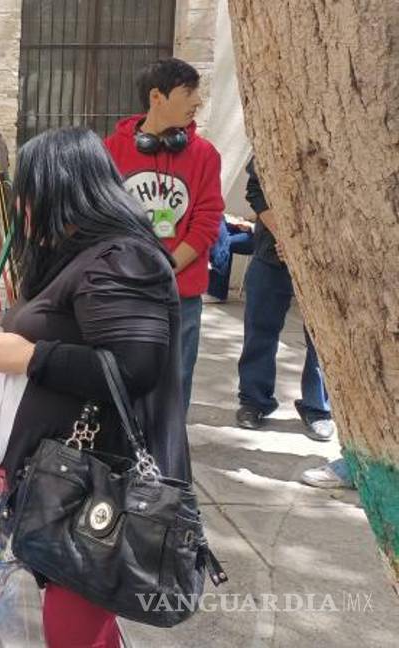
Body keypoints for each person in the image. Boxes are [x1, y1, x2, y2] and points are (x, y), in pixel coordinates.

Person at [0, 127, 188, 648]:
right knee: (87, 626)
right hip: (71, 484)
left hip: (98, 490)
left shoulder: (122, 258)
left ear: (58, 191)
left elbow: (134, 368)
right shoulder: (90, 255)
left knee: (71, 630)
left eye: (26, 192)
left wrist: (32, 357)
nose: (21, 208)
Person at [104, 57, 223, 413]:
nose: (197, 102)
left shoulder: (205, 155)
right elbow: (103, 218)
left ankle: (168, 457)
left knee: (176, 381)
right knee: (120, 378)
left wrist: (166, 269)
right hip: (126, 289)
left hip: (179, 295)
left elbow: (207, 220)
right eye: (188, 92)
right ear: (157, 97)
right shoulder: (111, 150)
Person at [235, 158, 336, 442]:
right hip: (272, 253)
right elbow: (255, 190)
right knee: (259, 330)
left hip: (324, 257)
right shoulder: (274, 133)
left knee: (321, 338)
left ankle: (318, 409)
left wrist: (307, 245)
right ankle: (254, 401)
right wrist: (287, 237)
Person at [207, 215, 255, 302]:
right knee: (219, 219)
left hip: (264, 236)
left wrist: (251, 227)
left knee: (224, 242)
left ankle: (217, 293)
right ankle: (215, 289)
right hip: (255, 228)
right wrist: (246, 220)